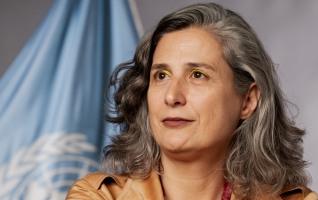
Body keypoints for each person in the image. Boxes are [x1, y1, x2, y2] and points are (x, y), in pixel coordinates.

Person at [67, 2, 317, 200]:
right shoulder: (96, 195)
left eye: (198, 75)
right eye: (161, 76)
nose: (172, 96)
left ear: (247, 101)